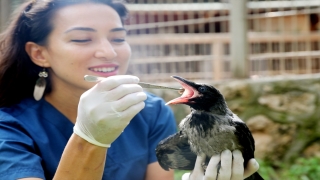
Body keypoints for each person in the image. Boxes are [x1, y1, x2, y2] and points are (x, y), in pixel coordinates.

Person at [0, 0, 259, 179]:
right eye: (82, 39)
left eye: (119, 38)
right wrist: (89, 139)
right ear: (39, 53)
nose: (109, 52)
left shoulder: (150, 111)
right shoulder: (8, 126)